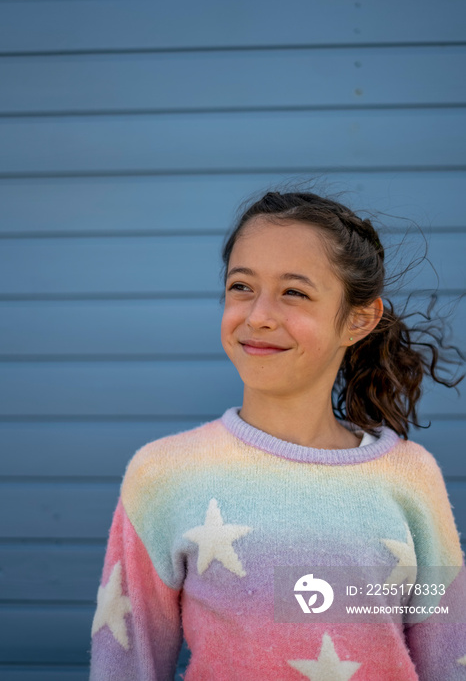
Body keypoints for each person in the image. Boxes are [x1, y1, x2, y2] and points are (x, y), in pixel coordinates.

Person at [89, 189, 466, 680]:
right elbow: (127, 662)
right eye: (241, 286)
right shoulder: (164, 474)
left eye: (294, 292)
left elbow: (449, 653)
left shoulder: (411, 477)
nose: (258, 315)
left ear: (358, 319)